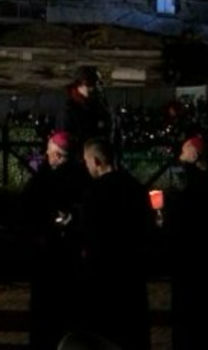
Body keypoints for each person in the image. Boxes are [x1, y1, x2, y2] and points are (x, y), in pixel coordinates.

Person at [69, 136, 153, 350]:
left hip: (103, 271)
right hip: (131, 269)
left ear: (96, 162)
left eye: (87, 161)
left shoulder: (93, 194)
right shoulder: (135, 188)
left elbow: (88, 234)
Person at [162, 134, 208, 349]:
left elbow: (174, 236)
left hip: (192, 274)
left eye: (184, 151)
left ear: (194, 154)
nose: (180, 157)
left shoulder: (188, 195)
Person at [19, 130, 89, 350]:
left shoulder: (43, 180)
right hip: (75, 256)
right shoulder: (84, 177)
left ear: (57, 156)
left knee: (46, 315)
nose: (46, 155)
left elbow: (24, 212)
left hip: (48, 256)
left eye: (49, 152)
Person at [61, 66, 115, 150]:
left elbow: (111, 130)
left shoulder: (102, 105)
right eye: (89, 84)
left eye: (97, 84)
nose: (93, 88)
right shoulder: (69, 111)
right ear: (79, 85)